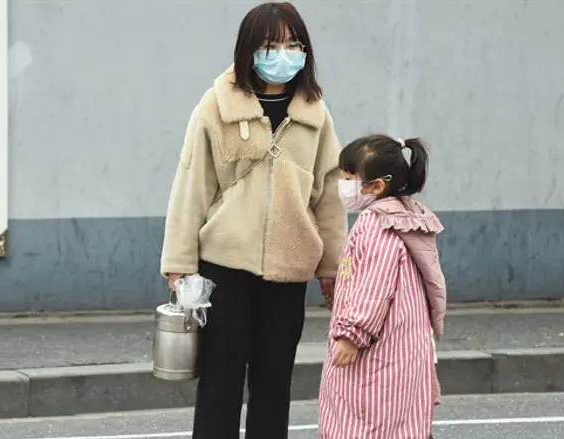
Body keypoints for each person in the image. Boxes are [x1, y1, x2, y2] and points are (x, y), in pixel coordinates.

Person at [160, 3, 348, 438]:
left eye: (293, 44)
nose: (283, 54)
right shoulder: (216, 106)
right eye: (271, 45)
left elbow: (330, 197)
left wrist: (333, 270)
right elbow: (192, 185)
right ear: (248, 50)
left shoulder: (315, 113)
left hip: (289, 271)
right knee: (220, 380)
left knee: (273, 382)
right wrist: (179, 262)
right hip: (224, 269)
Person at [318, 135, 446, 439]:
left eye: (349, 178)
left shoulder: (375, 224)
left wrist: (352, 334)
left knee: (364, 420)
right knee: (401, 421)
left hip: (377, 347)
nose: (344, 184)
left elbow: (373, 286)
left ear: (377, 186)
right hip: (406, 346)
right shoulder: (409, 217)